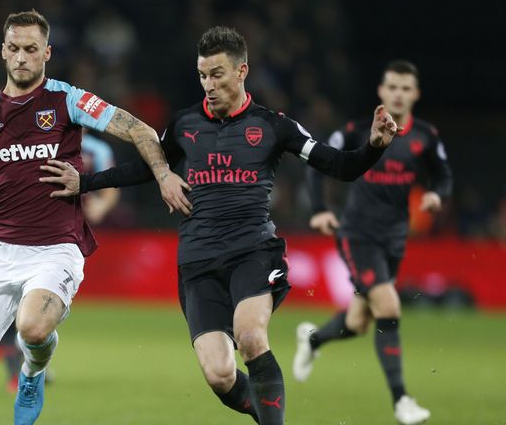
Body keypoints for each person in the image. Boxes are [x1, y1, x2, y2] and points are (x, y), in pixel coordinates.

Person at [39, 26, 399, 424]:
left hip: (254, 252)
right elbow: (145, 168)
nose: (208, 84)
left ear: (241, 71)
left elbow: (340, 166)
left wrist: (374, 147)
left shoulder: (276, 126)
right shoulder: (184, 125)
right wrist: (86, 182)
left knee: (249, 335)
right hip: (198, 259)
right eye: (202, 75)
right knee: (219, 373)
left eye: (217, 74)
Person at [0, 10, 189, 425]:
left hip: (55, 248)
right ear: (3, 52)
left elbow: (139, 129)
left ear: (47, 52)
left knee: (32, 329)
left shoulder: (68, 100)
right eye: (14, 48)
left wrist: (164, 173)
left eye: (31, 49)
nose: (22, 57)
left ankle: (33, 370)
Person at [293, 60, 452, 425]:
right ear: (381, 92)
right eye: (391, 86)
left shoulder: (425, 136)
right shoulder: (356, 130)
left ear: (415, 94)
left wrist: (437, 195)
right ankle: (402, 400)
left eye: (405, 88)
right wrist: (319, 209)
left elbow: (443, 175)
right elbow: (317, 161)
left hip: (394, 237)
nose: (398, 93)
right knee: (388, 304)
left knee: (360, 321)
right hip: (357, 234)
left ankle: (313, 340)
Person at [0, 130, 120, 394]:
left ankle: (23, 357)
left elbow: (111, 186)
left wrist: (103, 206)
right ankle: (17, 367)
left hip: (70, 234)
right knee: (21, 302)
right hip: (32, 230)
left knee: (41, 303)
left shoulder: (98, 150)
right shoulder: (41, 142)